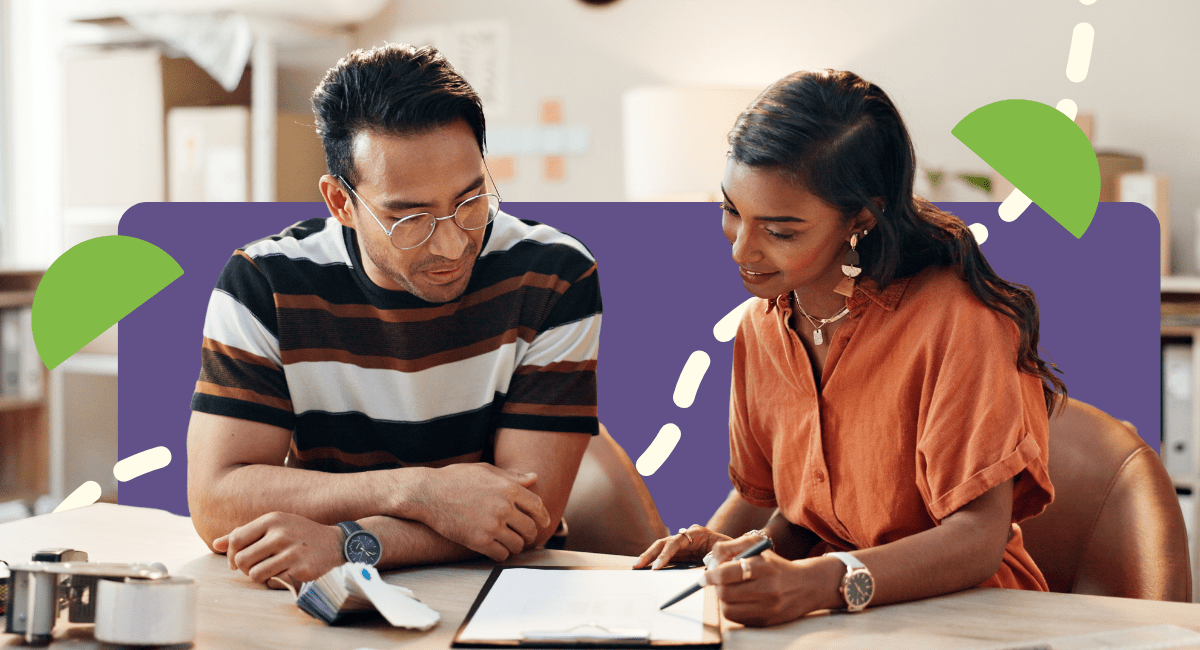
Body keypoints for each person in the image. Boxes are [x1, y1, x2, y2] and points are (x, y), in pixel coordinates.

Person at [634, 70, 1066, 627]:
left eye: (781, 231)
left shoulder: (961, 322)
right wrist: (721, 556)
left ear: (861, 217)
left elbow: (977, 540)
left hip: (974, 616)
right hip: (836, 621)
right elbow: (791, 511)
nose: (743, 248)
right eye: (731, 210)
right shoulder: (761, 327)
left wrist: (819, 582)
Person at [186, 44, 602, 589]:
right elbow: (216, 502)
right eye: (409, 218)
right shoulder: (265, 283)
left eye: (470, 201)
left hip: (501, 585)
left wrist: (348, 544)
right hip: (322, 591)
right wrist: (417, 491)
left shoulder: (554, 275)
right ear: (341, 203)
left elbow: (527, 519)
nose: (452, 245)